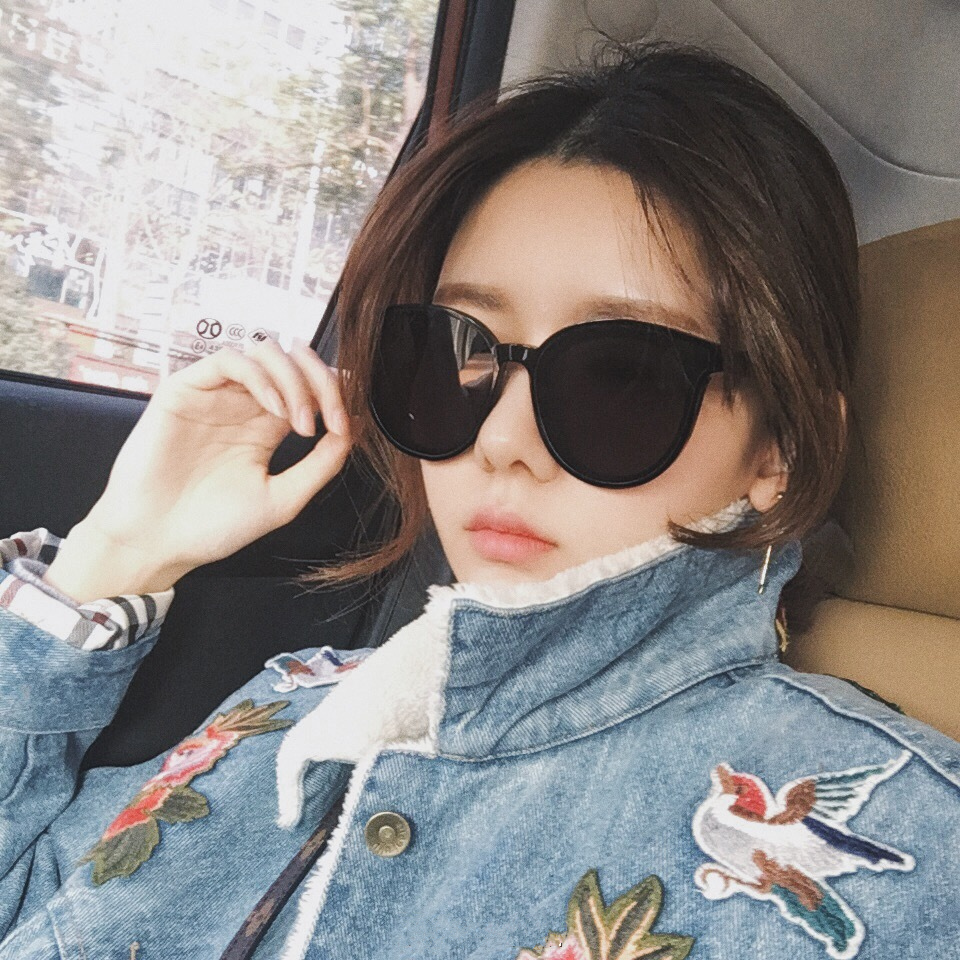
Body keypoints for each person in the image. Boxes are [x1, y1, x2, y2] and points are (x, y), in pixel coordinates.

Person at [0, 41, 956, 960]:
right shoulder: (290, 698)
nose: (501, 439)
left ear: (780, 448)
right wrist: (116, 555)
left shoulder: (915, 857)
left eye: (621, 375)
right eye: (459, 352)